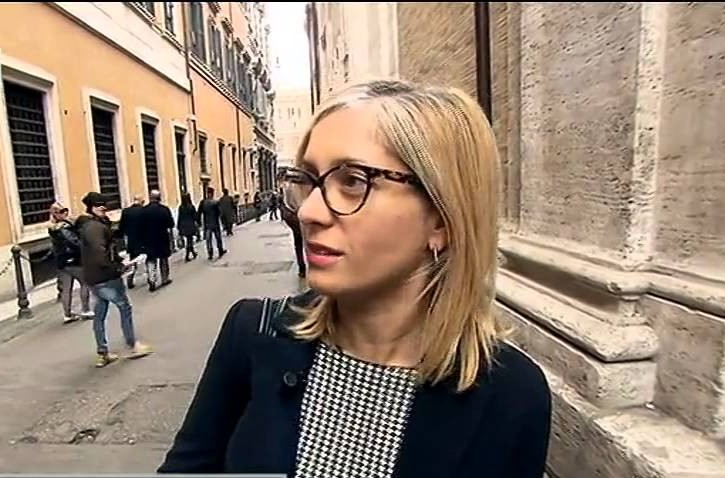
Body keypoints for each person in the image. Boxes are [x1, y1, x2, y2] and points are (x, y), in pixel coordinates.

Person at [158, 80, 551, 477]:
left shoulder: (512, 395)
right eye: (309, 180)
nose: (309, 212)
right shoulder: (251, 334)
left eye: (353, 181)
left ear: (442, 220)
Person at [76, 192, 152, 368]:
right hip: (106, 277)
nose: (103, 207)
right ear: (91, 208)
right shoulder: (94, 228)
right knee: (124, 307)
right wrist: (117, 268)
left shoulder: (91, 225)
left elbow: (106, 251)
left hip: (94, 277)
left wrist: (119, 260)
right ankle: (133, 345)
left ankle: (102, 353)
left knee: (100, 312)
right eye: (98, 205)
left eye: (104, 204)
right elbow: (100, 254)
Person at [48, 202, 93, 324]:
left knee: (66, 289)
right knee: (85, 283)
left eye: (65, 210)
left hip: (61, 262)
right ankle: (86, 310)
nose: (65, 213)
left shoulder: (52, 227)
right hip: (73, 259)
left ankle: (67, 314)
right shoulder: (65, 227)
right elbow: (74, 242)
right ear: (56, 214)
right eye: (62, 211)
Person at [142, 189, 175, 291]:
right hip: (162, 238)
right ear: (159, 198)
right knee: (163, 259)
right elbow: (171, 224)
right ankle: (165, 278)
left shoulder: (144, 210)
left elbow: (140, 226)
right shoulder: (164, 209)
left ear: (150, 198)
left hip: (149, 239)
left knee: (151, 259)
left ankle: (152, 279)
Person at [118, 194, 146, 289]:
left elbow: (121, 226)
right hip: (144, 238)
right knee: (148, 258)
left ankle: (130, 279)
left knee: (133, 260)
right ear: (141, 201)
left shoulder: (126, 211)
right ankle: (151, 277)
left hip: (131, 240)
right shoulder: (144, 211)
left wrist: (121, 237)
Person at [197, 187, 227, 260]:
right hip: (215, 223)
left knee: (208, 239)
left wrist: (199, 222)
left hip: (207, 224)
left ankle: (210, 253)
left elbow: (199, 213)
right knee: (218, 238)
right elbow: (220, 213)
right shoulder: (215, 202)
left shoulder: (203, 202)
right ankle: (220, 250)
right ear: (212, 193)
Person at [177, 192, 199, 262]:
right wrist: (197, 223)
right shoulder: (191, 206)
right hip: (190, 225)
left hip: (183, 226)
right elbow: (195, 217)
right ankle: (187, 256)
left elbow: (179, 217)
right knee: (189, 241)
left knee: (189, 240)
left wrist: (178, 226)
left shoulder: (181, 207)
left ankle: (193, 253)